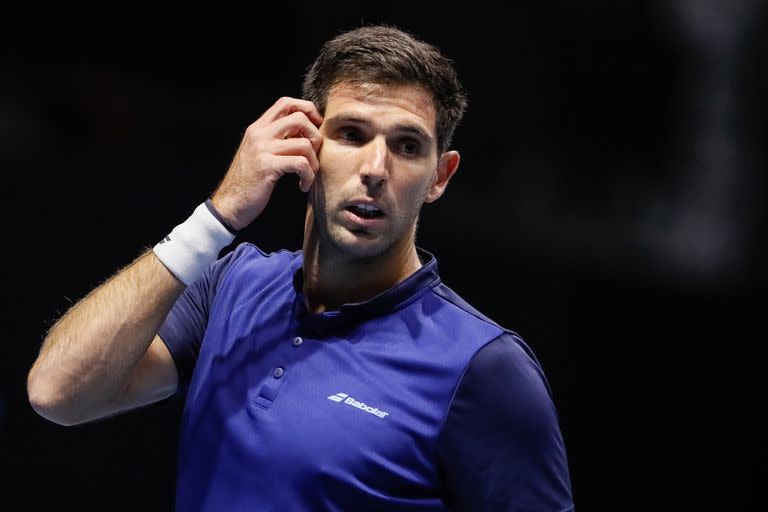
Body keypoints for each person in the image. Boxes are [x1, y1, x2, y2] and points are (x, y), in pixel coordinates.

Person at [27, 24, 574, 511]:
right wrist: (216, 217)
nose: (375, 169)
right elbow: (58, 392)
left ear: (440, 176)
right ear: (303, 143)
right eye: (352, 135)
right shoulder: (230, 285)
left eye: (407, 146)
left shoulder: (485, 369)